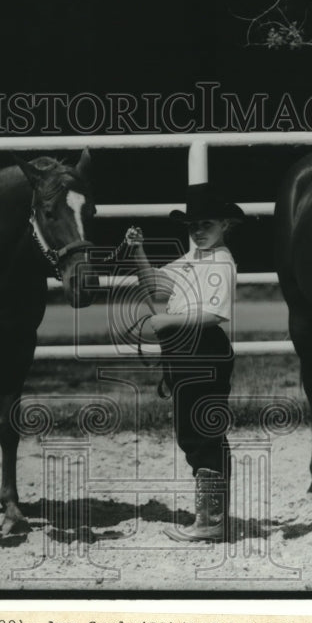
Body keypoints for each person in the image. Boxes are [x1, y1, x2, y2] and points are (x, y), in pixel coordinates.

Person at [126, 182, 244, 542]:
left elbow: (214, 314)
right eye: (193, 225)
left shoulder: (221, 262)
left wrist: (165, 322)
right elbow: (156, 288)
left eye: (206, 224)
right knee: (195, 429)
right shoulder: (192, 260)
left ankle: (210, 520)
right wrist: (138, 253)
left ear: (225, 224)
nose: (198, 231)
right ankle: (212, 516)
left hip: (204, 349)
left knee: (200, 430)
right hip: (186, 352)